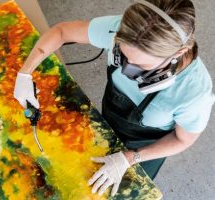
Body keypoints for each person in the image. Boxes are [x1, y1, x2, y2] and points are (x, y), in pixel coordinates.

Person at [14, 0, 214, 197]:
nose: (127, 70)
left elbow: (182, 139)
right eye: (123, 55)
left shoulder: (195, 93)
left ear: (178, 53)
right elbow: (61, 32)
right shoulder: (123, 30)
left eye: (142, 66)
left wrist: (129, 158)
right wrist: (25, 73)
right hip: (108, 120)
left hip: (145, 148)